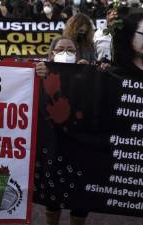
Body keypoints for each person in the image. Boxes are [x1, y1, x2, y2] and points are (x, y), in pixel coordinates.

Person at [34, 37, 89, 225]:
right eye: (60, 49)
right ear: (51, 54)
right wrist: (35, 73)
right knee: (53, 196)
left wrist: (91, 74)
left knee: (80, 200)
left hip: (80, 148)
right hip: (53, 145)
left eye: (70, 50)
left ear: (77, 55)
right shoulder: (41, 72)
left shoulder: (87, 73)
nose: (66, 53)